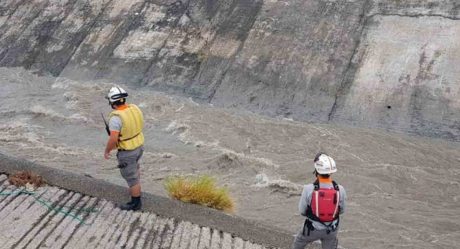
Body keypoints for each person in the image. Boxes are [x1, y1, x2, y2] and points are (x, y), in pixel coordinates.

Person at [293, 152, 346, 249]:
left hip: (312, 229)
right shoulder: (340, 189)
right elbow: (342, 210)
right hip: (331, 230)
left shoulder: (308, 189)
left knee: (299, 241)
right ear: (331, 171)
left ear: (316, 170)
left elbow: (302, 211)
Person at [104, 86, 145, 211]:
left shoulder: (116, 118)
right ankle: (136, 191)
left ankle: (135, 203)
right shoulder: (134, 108)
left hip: (127, 151)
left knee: (131, 177)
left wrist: (107, 150)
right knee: (135, 169)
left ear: (112, 102)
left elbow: (113, 139)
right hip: (139, 145)